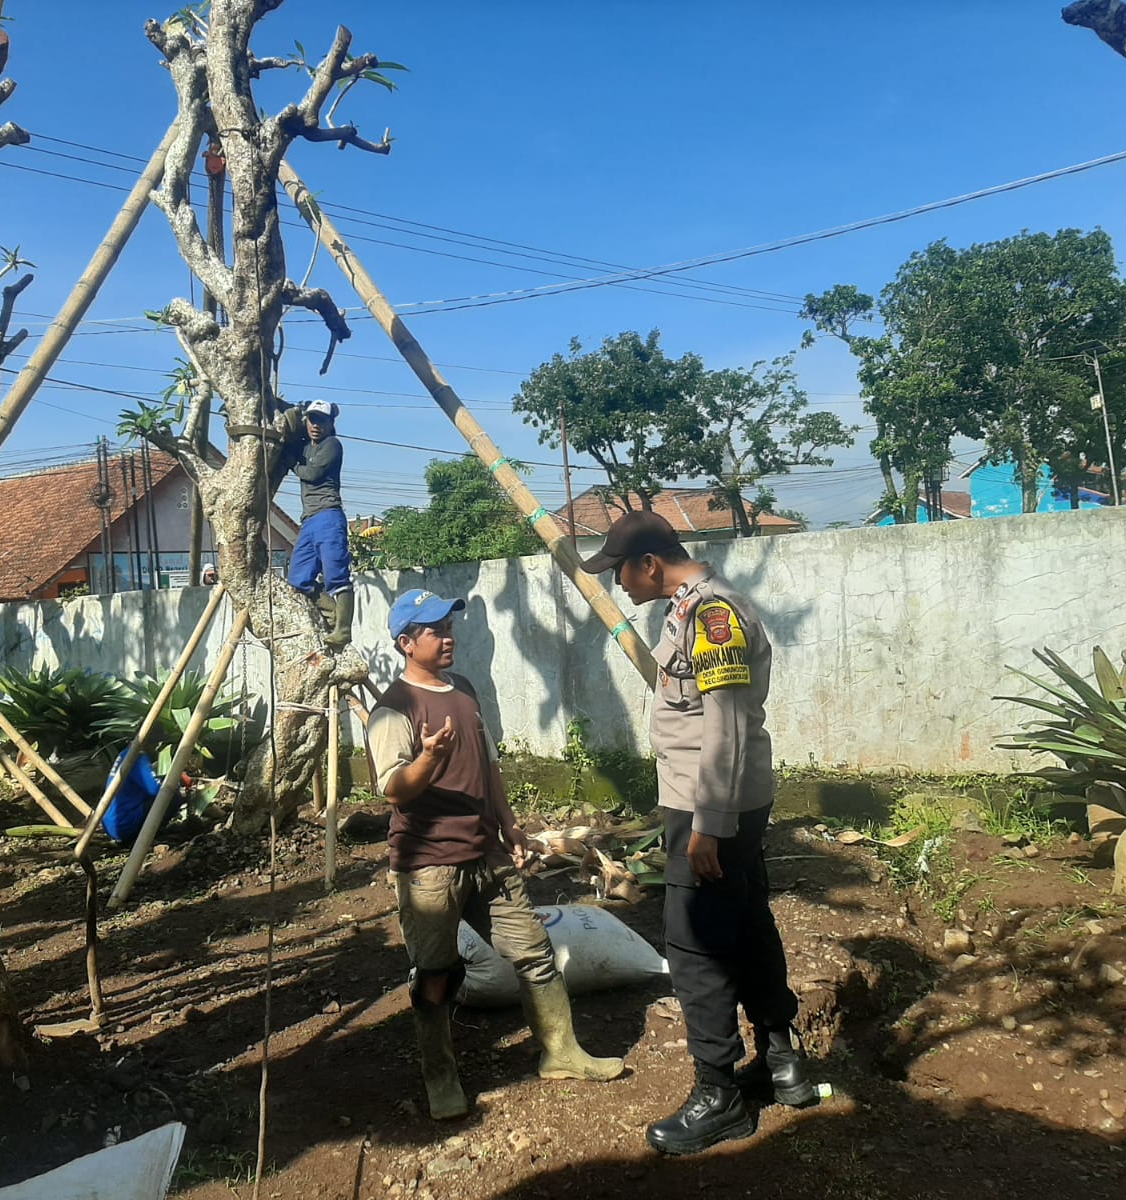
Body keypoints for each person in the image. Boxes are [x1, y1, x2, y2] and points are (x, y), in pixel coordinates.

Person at [579, 511, 815, 1156]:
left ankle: (720, 1095)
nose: (620, 584)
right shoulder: (688, 611)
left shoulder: (714, 618)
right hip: (724, 801)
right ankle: (781, 1060)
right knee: (745, 921)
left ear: (649, 562)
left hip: (711, 806)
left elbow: (729, 725)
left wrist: (707, 826)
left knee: (693, 945)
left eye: (620, 570)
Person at [367, 588, 625, 1119]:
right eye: (435, 630)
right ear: (405, 642)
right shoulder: (393, 709)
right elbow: (393, 789)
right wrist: (429, 760)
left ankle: (560, 1053)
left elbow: (488, 768)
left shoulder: (463, 691)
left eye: (448, 626)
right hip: (430, 867)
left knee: (534, 954)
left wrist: (511, 826)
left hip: (488, 856)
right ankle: (441, 1078)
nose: (448, 636)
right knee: (437, 974)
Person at [281, 399, 353, 648]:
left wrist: (292, 463)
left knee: (336, 576)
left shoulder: (332, 445)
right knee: (299, 580)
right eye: (312, 419)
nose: (315, 425)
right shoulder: (304, 447)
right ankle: (334, 615)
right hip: (309, 520)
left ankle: (343, 630)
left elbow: (311, 474)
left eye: (321, 420)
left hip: (329, 516)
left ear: (330, 423)